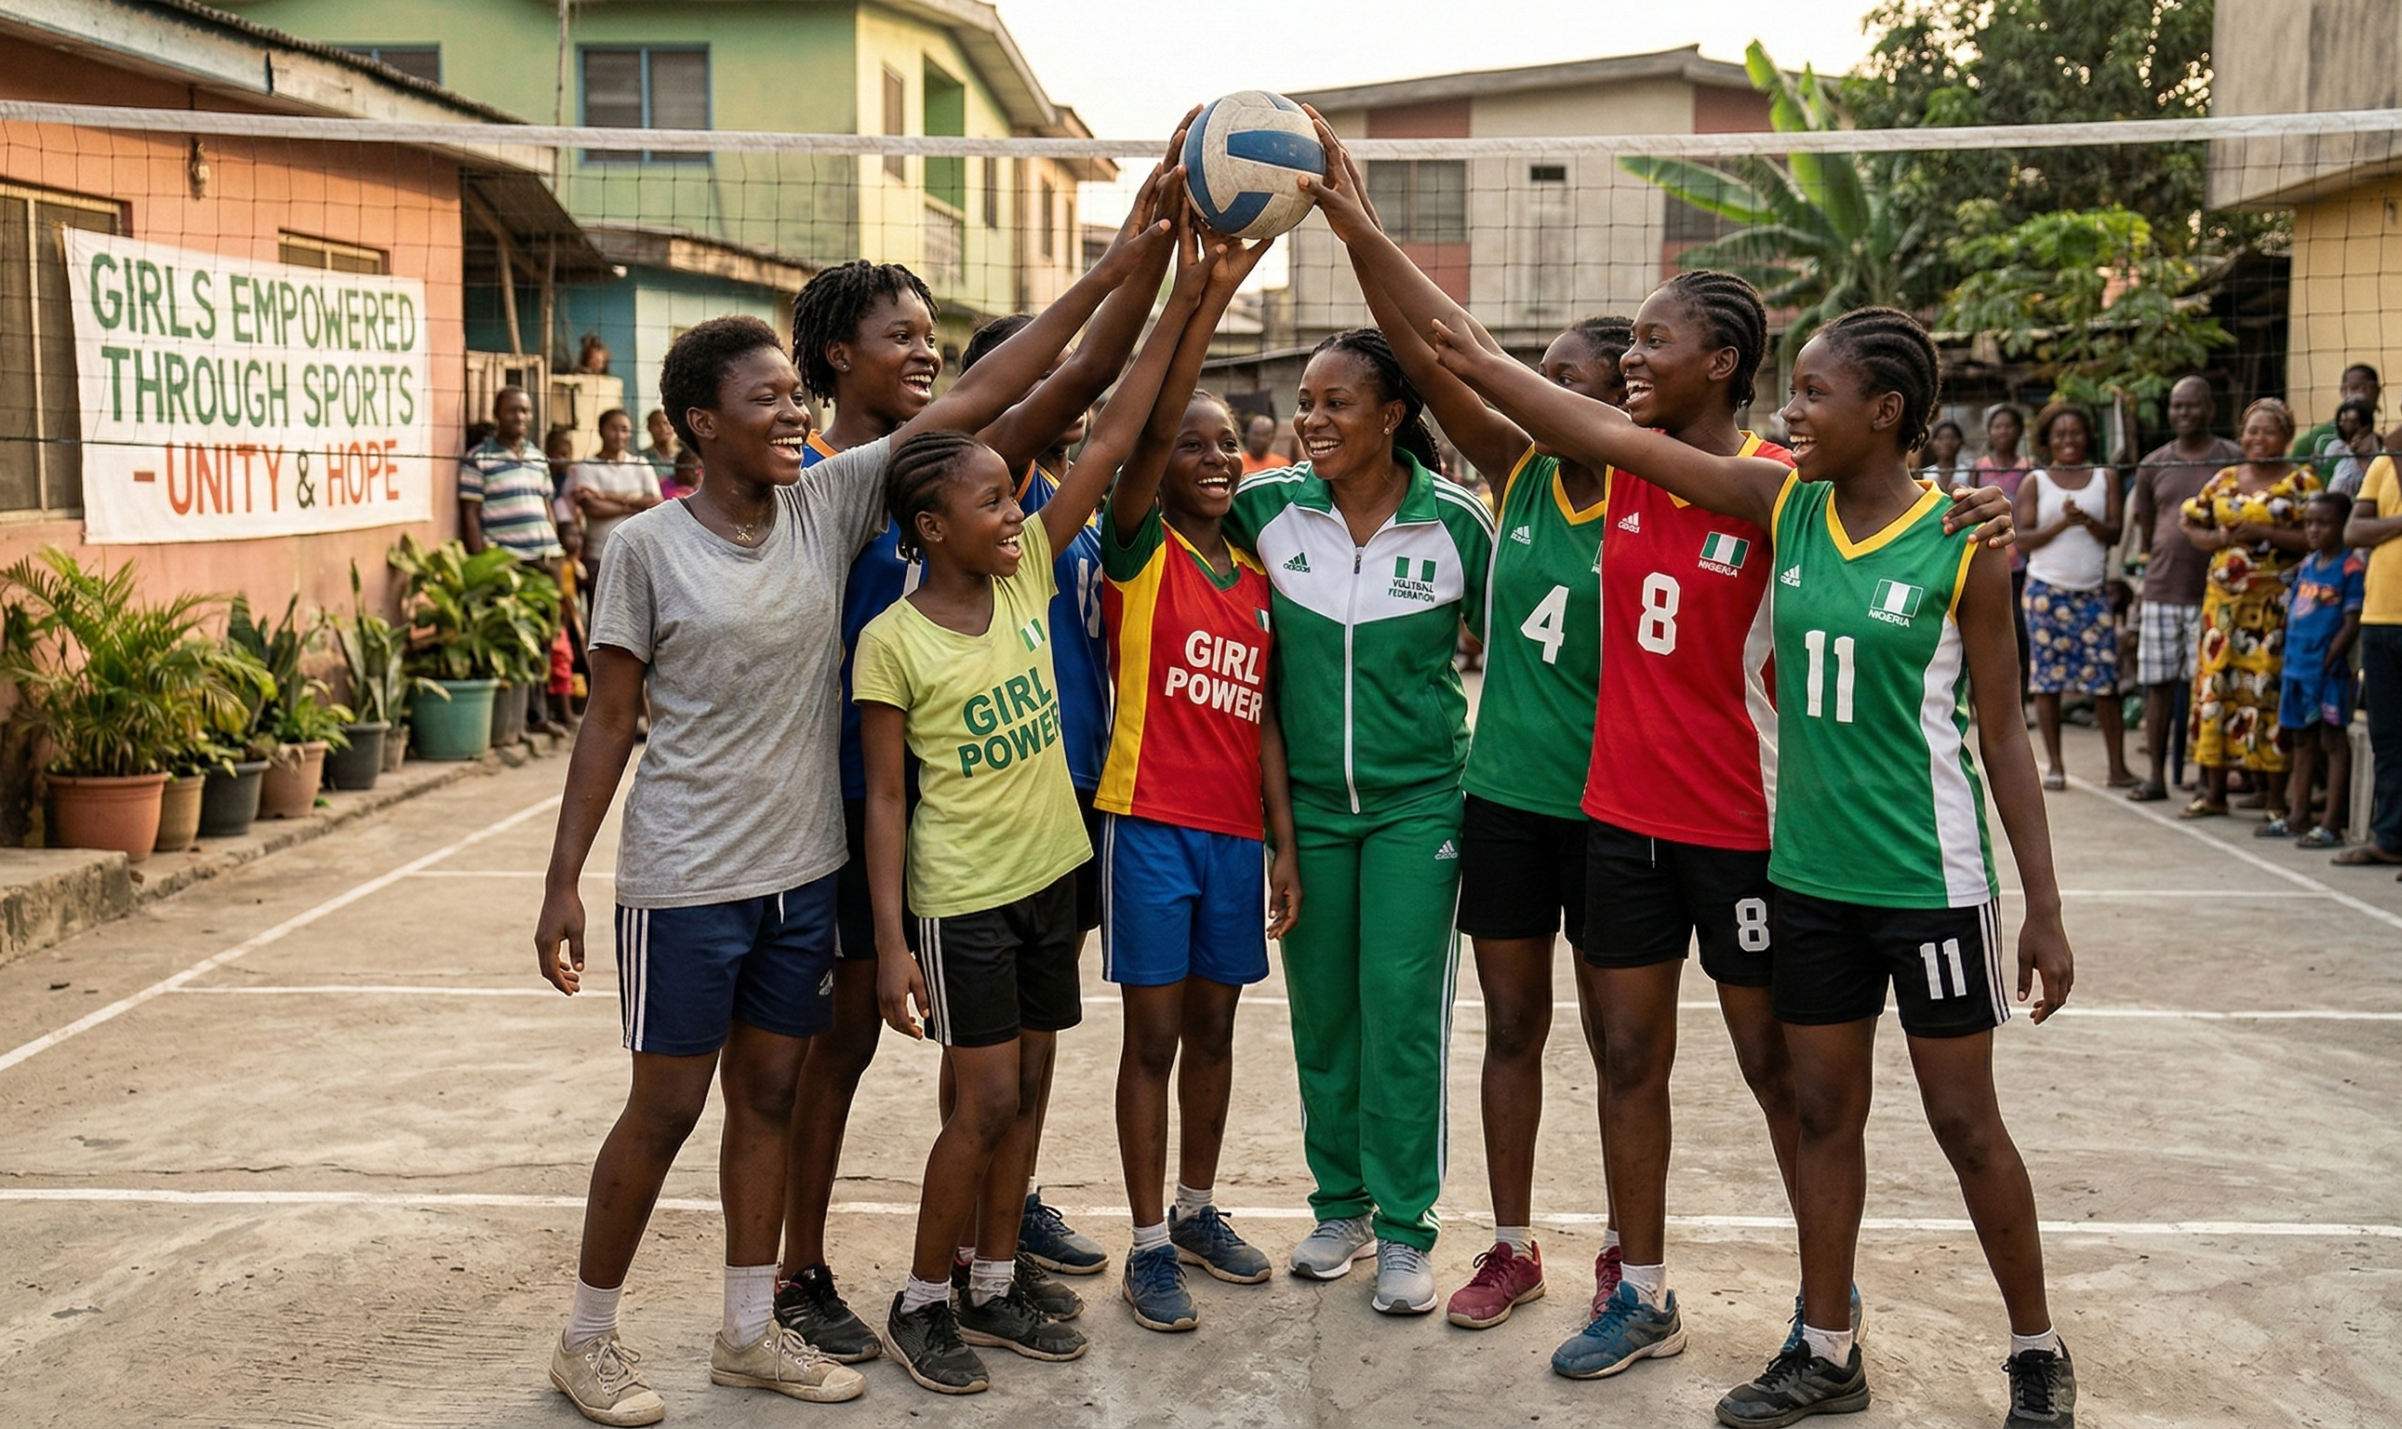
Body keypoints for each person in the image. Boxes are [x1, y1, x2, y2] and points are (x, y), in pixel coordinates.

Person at [1304, 119, 2018, 1366]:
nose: (1629, 362)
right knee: (1623, 1051)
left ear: (1720, 363)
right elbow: (1458, 353)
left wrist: (1961, 516)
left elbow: (1891, 528)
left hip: (1749, 833)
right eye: (1623, 344)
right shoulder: (1612, 467)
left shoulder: (1781, 496)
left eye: (1651, 341)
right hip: (1619, 822)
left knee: (1782, 1081)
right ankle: (1639, 1288)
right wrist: (1356, 225)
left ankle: (1822, 1319)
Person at [1430, 303, 2077, 1429]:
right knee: (1820, 1108)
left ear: (1885, 413)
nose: (1793, 411)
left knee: (1962, 1123)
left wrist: (2041, 908)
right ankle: (1824, 1348)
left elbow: (2004, 733)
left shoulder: (1963, 545)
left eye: (1815, 395)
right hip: (1809, 880)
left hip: (1927, 881)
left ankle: (2034, 1345)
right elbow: (1587, 424)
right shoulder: (1789, 505)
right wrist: (1379, 252)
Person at [530, 301, 1097, 1422]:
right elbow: (606, 723)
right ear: (700, 424)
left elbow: (986, 401)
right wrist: (562, 879)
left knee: (773, 1097)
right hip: (686, 877)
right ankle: (586, 1335)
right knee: (666, 1108)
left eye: (796, 395)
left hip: (799, 869)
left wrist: (1130, 259)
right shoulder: (645, 548)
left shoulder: (822, 504)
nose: (793, 412)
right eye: (765, 399)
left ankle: (749, 1327)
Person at [774, 144, 1192, 1362]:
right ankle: (802, 1266)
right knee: (843, 1042)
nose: (922, 349)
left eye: (928, 333)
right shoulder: (827, 486)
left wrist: (1159, 270)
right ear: (833, 357)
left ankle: (977, 1256)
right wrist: (1127, 258)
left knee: (1000, 1064)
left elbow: (1085, 394)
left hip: (996, 812)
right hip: (856, 808)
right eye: (895, 332)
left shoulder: (957, 479)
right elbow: (1040, 385)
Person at [1308, 124, 1625, 1329]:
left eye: (1570, 380)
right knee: (1509, 1031)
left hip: (1615, 811)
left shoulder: (1656, 492)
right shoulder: (1522, 473)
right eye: (1535, 375)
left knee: (1616, 1044)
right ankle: (1506, 1241)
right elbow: (1450, 352)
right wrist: (1354, 226)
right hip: (1501, 801)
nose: (1534, 390)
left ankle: (1623, 1252)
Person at [1222, 318, 1494, 1319]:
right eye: (1304, 401)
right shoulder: (1266, 510)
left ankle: (1407, 1227)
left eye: (1334, 402)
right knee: (1322, 1012)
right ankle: (1339, 1206)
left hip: (1417, 803)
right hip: (1305, 817)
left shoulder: (1455, 522)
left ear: (1390, 416)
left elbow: (1516, 656)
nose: (1310, 419)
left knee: (1400, 1012)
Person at [1091, 224, 1295, 1332]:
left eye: (1230, 445)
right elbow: (1146, 425)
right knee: (1152, 1040)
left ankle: (1198, 1205)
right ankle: (1143, 1241)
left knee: (1215, 1036)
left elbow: (1263, 719)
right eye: (1196, 444)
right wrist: (1203, 296)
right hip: (1146, 824)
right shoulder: (1140, 547)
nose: (1216, 457)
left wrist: (1282, 845)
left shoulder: (1254, 576)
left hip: (1228, 836)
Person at [2179, 399, 2319, 822]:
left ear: (2286, 437)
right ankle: (2213, 792)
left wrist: (2263, 531)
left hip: (2273, 607)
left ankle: (2274, 799)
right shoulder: (2224, 478)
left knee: (2266, 694)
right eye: (2251, 430)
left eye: (2268, 431)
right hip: (2222, 608)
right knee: (2215, 690)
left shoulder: (2302, 482)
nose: (2257, 438)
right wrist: (2219, 538)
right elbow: (2191, 523)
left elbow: (2316, 537)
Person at [2127, 376, 2243, 802]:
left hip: (2218, 593)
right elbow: (2145, 530)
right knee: (2158, 685)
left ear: (2210, 410)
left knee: (2213, 688)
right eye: (2177, 407)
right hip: (2162, 588)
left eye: (2192, 406)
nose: (2184, 414)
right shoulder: (2153, 464)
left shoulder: (2233, 459)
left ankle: (2211, 781)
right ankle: (2155, 776)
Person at [2015, 402, 2131, 789]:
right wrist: (2064, 523)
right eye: (2060, 434)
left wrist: (2088, 522)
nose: (2069, 440)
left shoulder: (2105, 477)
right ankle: (2056, 766)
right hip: (2046, 592)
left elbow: (2114, 534)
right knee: (2047, 681)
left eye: (2076, 432)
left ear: (2088, 436)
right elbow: (2023, 538)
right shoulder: (2037, 481)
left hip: (2091, 592)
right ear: (2048, 440)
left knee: (2104, 680)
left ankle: (2117, 766)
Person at [2263, 493, 2365, 845]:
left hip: (2326, 670)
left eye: (2323, 523)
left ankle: (2331, 824)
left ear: (2343, 526)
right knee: (2302, 739)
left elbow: (2351, 623)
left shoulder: (2350, 568)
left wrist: (2328, 659)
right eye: (2309, 523)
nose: (2314, 530)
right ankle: (2298, 815)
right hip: (2296, 668)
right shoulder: (2308, 565)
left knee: (2332, 740)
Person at [2334, 448, 2402, 871]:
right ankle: (2391, 837)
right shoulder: (2386, 463)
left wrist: (2384, 529)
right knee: (2388, 737)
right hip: (2379, 617)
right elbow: (2354, 531)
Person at [460, 387, 564, 567]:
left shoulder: (538, 457)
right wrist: (483, 562)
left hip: (547, 556)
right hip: (508, 560)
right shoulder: (478, 459)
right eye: (511, 411)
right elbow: (471, 513)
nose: (519, 417)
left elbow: (547, 507)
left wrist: (553, 543)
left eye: (524, 411)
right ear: (496, 415)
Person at [564, 408, 664, 586]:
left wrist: (606, 497)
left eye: (624, 429)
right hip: (600, 554)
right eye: (614, 429)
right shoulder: (587, 466)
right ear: (601, 431)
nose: (619, 435)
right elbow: (593, 507)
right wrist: (633, 505)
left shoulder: (641, 465)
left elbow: (655, 502)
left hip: (638, 555)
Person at [2290, 363, 2379, 478]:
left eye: (2368, 388)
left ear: (2377, 392)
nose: (2361, 394)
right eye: (2354, 388)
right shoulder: (2314, 439)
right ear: (2343, 392)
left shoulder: (2384, 443)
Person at [2323, 398, 2379, 498]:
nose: (2344, 423)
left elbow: (2376, 480)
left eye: (2351, 421)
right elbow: (2325, 475)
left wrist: (2360, 457)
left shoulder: (2376, 446)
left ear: (2365, 425)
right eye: (2342, 420)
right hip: (2334, 500)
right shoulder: (2334, 448)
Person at [1919, 418, 1966, 490]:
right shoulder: (1926, 474)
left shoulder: (1967, 473)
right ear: (1932, 443)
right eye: (1940, 439)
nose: (1946, 443)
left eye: (1952, 438)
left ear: (1960, 441)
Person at [640, 408, 681, 482]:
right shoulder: (642, 457)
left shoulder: (684, 457)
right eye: (657, 424)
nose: (663, 428)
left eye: (666, 423)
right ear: (649, 428)